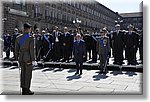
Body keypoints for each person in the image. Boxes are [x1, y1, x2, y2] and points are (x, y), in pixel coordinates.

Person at [15, 23, 37, 95]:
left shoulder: (18, 38)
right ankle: (27, 90)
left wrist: (17, 58)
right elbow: (31, 50)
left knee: (23, 74)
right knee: (28, 74)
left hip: (21, 58)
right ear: (29, 29)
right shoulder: (31, 38)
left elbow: (16, 50)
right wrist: (33, 60)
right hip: (28, 58)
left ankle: (23, 89)